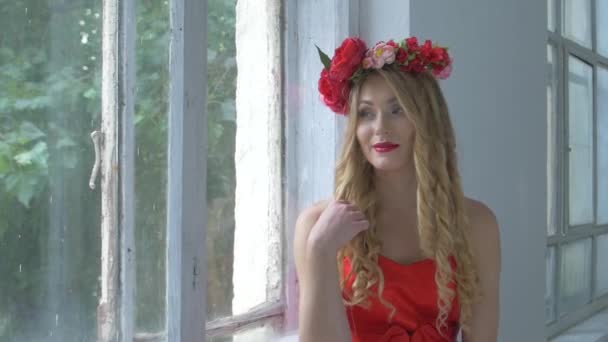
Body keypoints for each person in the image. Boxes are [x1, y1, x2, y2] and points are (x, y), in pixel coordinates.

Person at [294, 37, 501, 342]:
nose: (380, 127)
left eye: (398, 109)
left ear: (427, 119)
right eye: (366, 113)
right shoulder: (317, 227)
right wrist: (321, 251)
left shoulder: (477, 223)